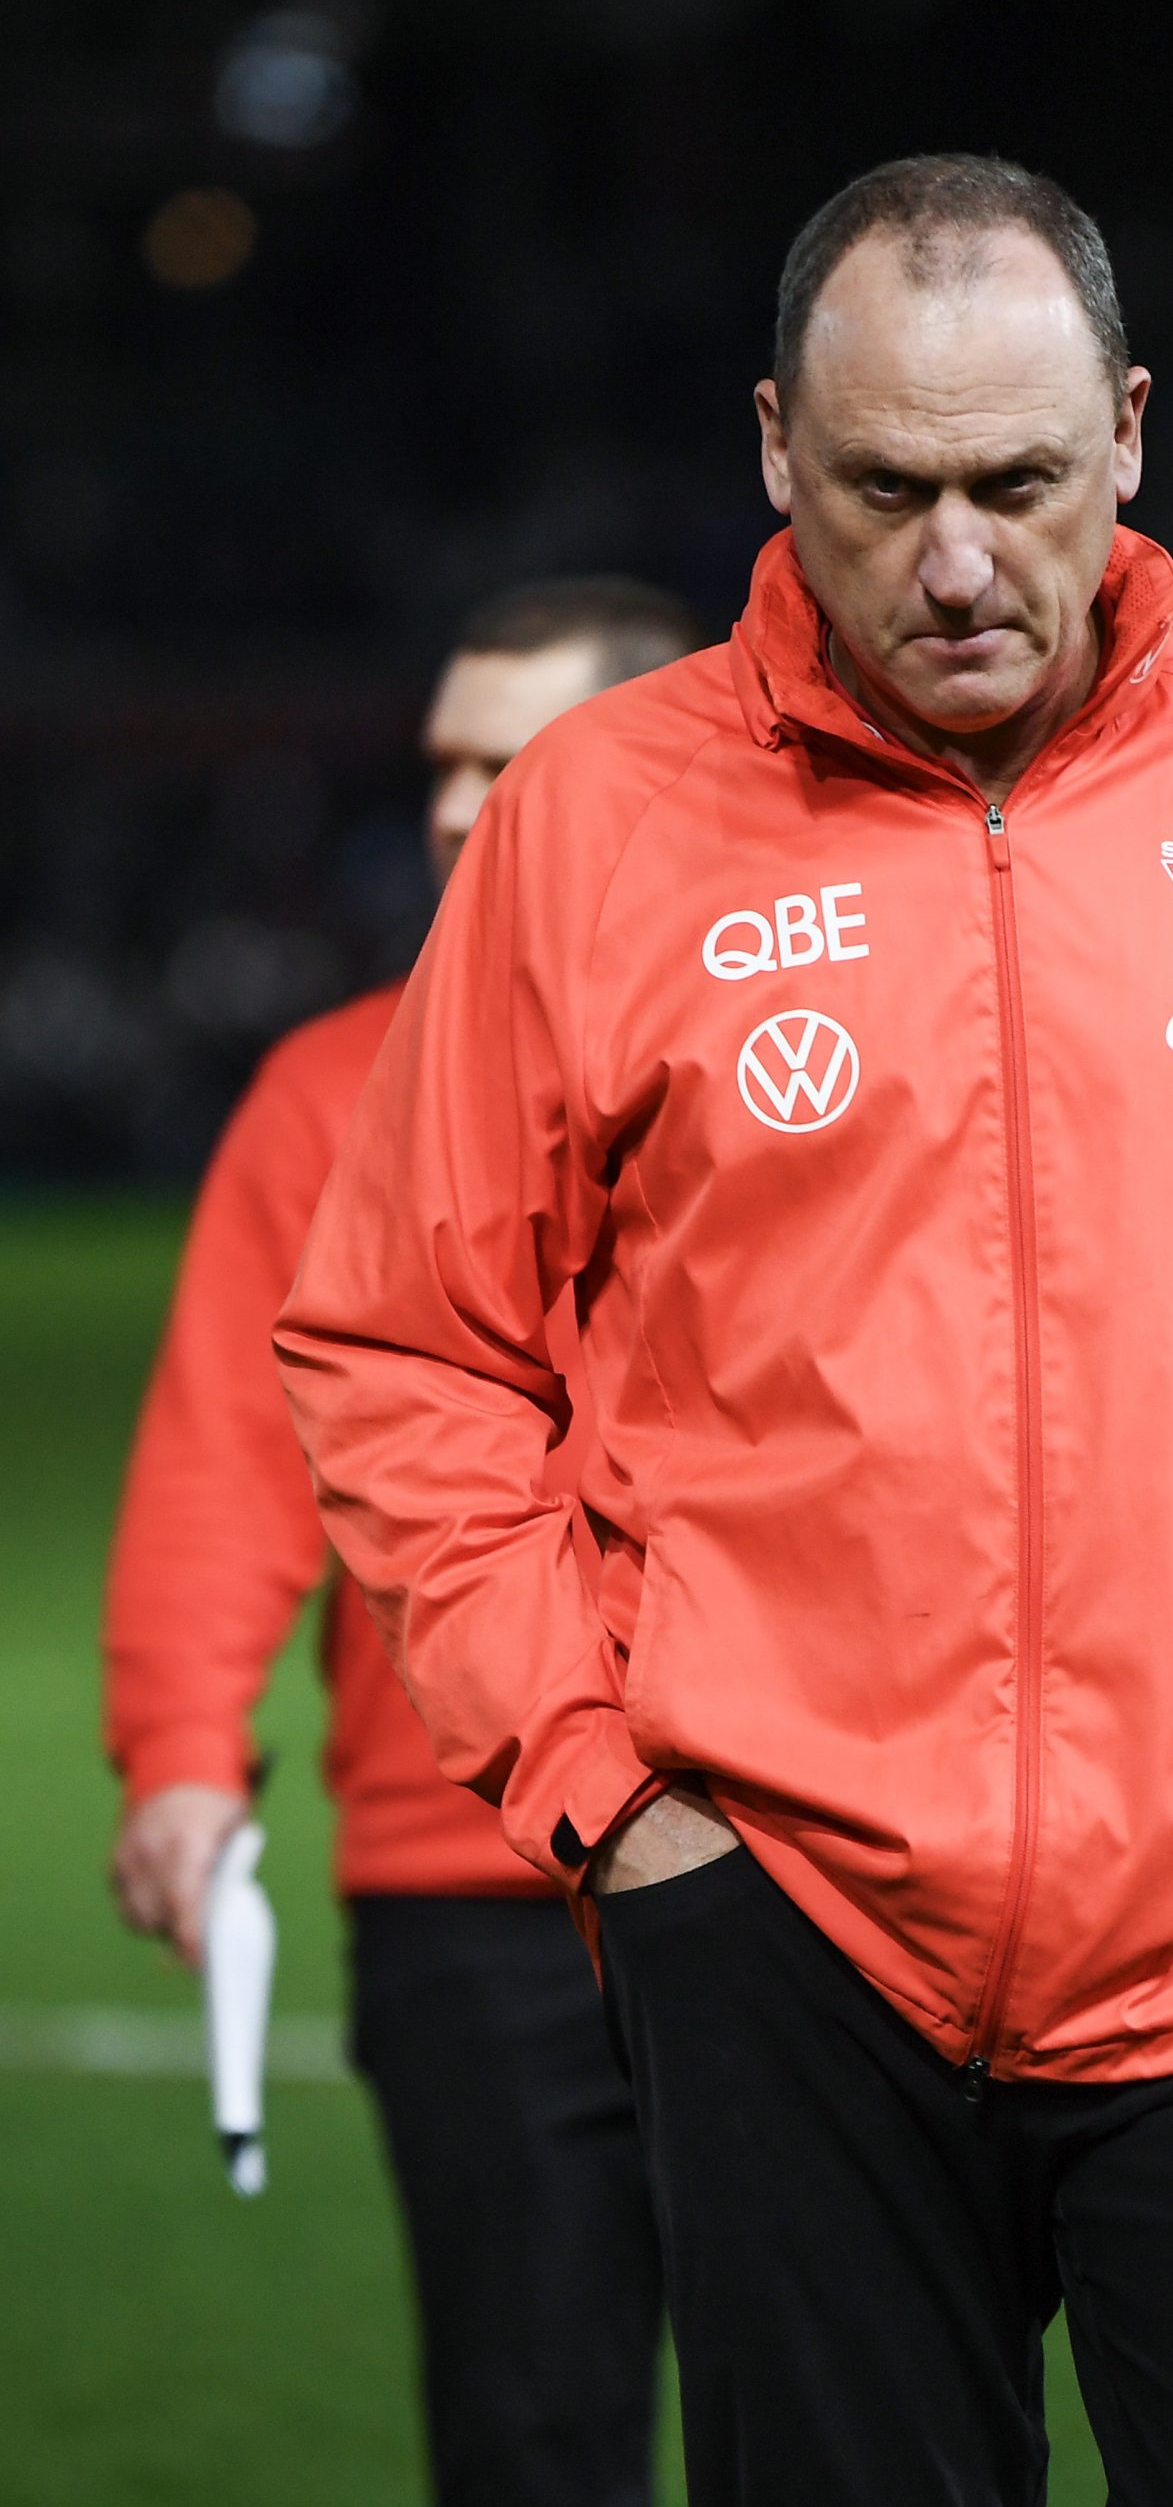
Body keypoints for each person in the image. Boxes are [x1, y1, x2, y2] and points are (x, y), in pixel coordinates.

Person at [275, 158, 1173, 2507]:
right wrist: (607, 1795)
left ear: (1129, 438)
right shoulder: (589, 826)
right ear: (771, 449)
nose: (957, 561)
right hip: (783, 1928)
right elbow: (400, 1346)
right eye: (886, 488)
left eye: (1018, 484)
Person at [105, 574, 701, 2507]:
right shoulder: (321, 1089)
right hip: (473, 1886)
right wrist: (186, 1762)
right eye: (443, 763)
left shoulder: (802, 1042)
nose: (453, 809)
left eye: (504, 763)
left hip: (809, 1860)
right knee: (534, 2445)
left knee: (867, 2435)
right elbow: (227, 1455)